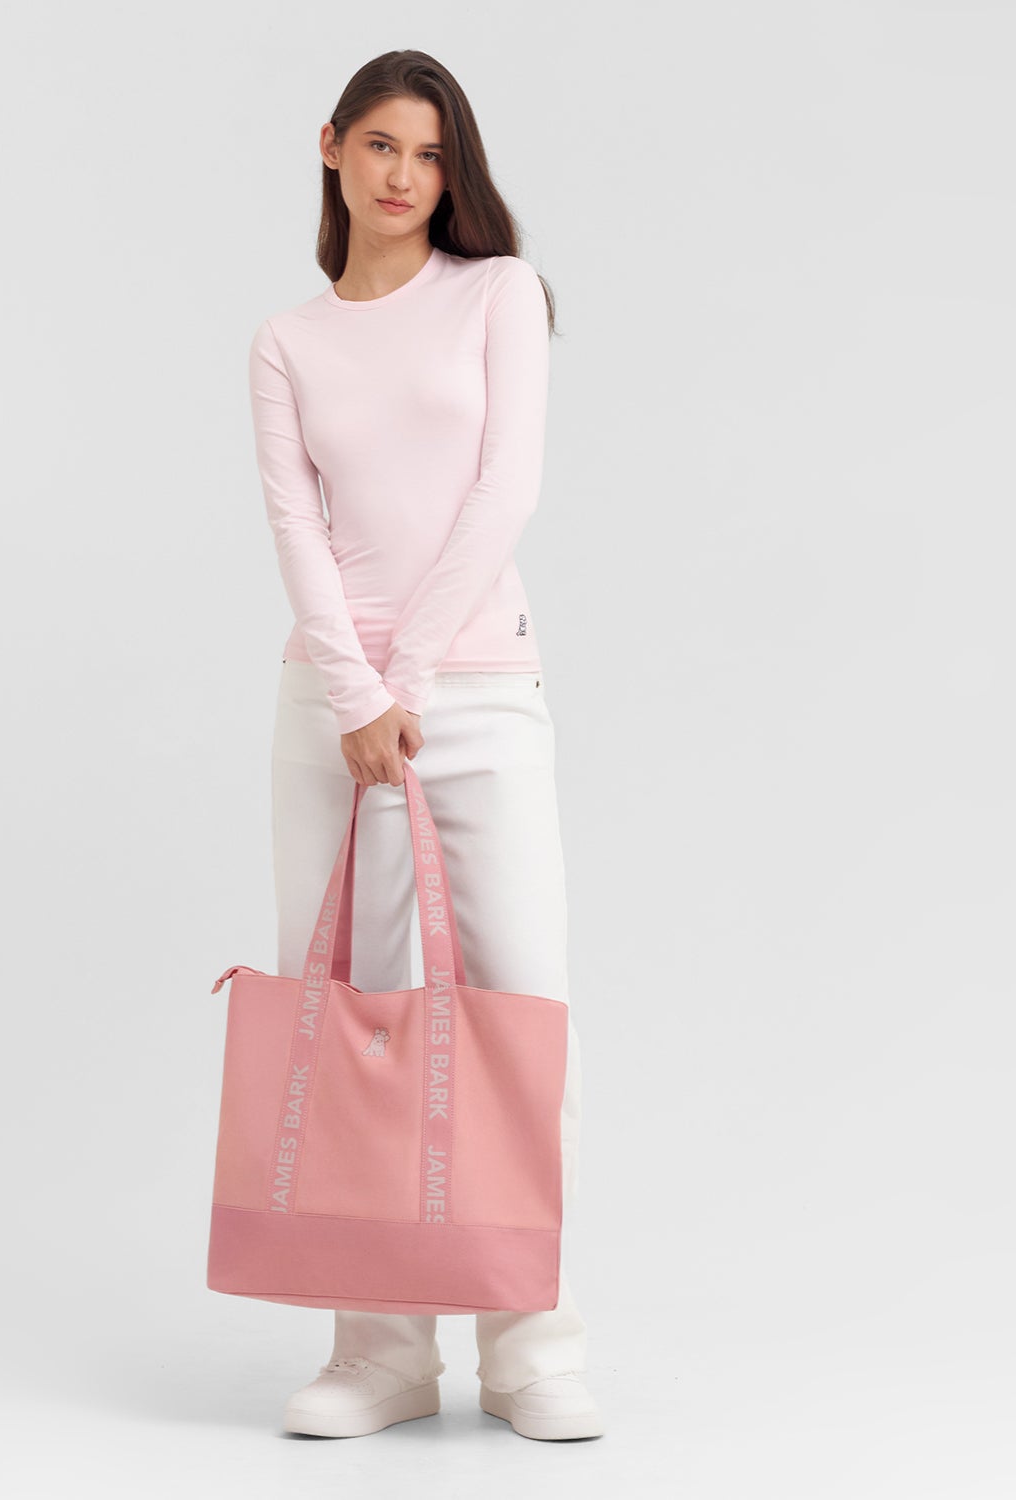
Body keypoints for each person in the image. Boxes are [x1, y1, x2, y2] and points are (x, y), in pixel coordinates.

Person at [248, 50, 604, 1443]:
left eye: (431, 153)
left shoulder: (497, 294)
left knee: (518, 1013)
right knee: (362, 1027)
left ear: (452, 172)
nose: (403, 174)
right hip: (330, 719)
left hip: (476, 695)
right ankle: (381, 1354)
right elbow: (296, 530)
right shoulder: (287, 340)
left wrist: (406, 677)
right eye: (381, 145)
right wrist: (352, 698)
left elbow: (505, 484)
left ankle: (533, 1349)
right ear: (331, 148)